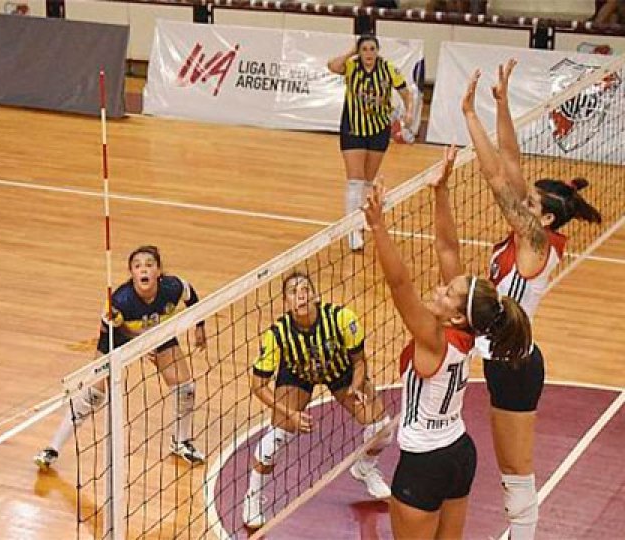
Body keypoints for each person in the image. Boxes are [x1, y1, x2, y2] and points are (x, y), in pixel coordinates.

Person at [462, 60, 602, 540]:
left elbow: (498, 180)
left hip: (516, 367)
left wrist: (469, 118)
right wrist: (500, 105)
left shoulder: (536, 246)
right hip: (502, 357)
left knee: (515, 472)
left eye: (531, 205)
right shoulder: (528, 233)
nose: (523, 203)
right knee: (508, 471)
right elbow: (513, 165)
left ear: (544, 222)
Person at [363, 164, 533, 538]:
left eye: (447, 292)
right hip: (458, 452)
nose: (439, 290)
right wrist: (441, 191)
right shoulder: (466, 332)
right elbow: (447, 248)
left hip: (424, 463)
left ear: (457, 316)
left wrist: (378, 227)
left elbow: (399, 283)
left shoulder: (433, 338)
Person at [242, 272, 393, 529]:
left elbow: (359, 361)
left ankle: (365, 467)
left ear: (315, 295)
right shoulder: (278, 334)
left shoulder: (341, 318)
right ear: (286, 303)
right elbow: (258, 385)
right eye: (292, 291)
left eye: (305, 289)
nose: (300, 294)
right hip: (297, 376)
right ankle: (253, 497)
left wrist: (356, 388)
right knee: (276, 437)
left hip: (341, 372)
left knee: (383, 428)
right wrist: (288, 413)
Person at [34, 245, 207, 469]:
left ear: (158, 271)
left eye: (149, 264)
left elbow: (191, 294)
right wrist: (142, 346)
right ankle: (52, 448)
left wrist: (200, 326)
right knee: (94, 394)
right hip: (119, 337)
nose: (143, 269)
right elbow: (108, 334)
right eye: (137, 266)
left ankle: (181, 442)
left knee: (186, 388)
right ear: (132, 273)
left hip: (157, 333)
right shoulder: (120, 301)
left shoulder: (172, 287)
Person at [327, 34, 415, 251]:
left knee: (368, 180)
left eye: (372, 49)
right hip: (353, 128)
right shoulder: (351, 65)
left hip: (378, 129)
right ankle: (352, 231)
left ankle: (364, 219)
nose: (368, 53)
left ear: (378, 50)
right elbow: (331, 65)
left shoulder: (388, 69)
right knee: (355, 180)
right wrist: (351, 51)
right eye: (364, 49)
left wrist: (410, 112)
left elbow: (406, 93)